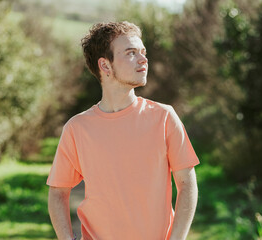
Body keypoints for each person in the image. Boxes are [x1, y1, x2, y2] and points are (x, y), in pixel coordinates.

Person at [47, 21, 199, 240]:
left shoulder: (164, 118)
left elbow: (187, 184)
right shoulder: (77, 128)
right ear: (105, 66)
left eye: (143, 52)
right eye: (131, 53)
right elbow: (58, 192)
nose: (143, 59)